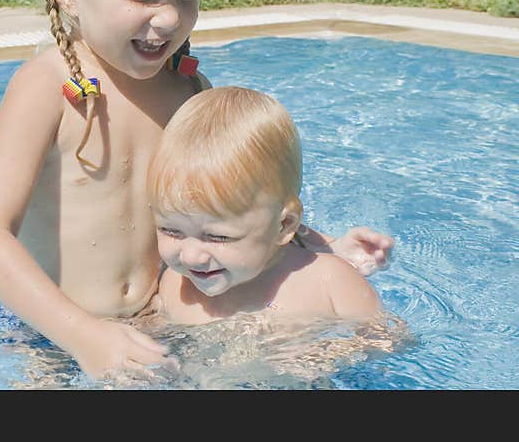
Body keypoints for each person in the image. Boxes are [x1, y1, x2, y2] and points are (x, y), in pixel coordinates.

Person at [0, 0, 393, 380]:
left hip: (163, 323)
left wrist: (316, 246)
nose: (168, 17)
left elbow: (234, 200)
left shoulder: (187, 88)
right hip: (52, 333)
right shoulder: (46, 88)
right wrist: (80, 334)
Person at [149, 86, 383, 325]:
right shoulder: (174, 287)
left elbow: (388, 343)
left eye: (217, 237)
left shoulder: (330, 283)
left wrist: (332, 351)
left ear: (283, 225)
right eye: (170, 230)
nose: (190, 256)